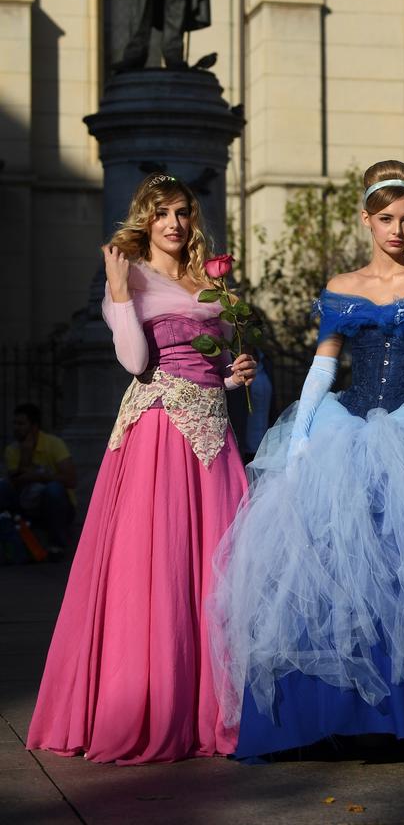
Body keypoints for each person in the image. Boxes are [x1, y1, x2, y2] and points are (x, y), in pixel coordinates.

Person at [209, 160, 404, 761]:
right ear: (366, 219)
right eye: (387, 219)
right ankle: (355, 717)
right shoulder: (343, 286)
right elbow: (324, 364)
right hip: (348, 429)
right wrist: (301, 435)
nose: (398, 230)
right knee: (338, 568)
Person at [27, 174, 255, 764]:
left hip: (213, 438)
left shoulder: (211, 284)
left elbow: (213, 370)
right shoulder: (131, 279)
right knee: (160, 564)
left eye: (182, 212)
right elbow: (134, 361)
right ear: (145, 221)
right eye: (161, 214)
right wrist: (117, 289)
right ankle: (155, 704)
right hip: (158, 436)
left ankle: (214, 705)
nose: (174, 223)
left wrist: (236, 375)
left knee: (219, 566)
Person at [1, 404, 76, 556]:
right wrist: (26, 454)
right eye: (14, 423)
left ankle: (57, 546)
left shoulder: (54, 444)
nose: (16, 428)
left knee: (53, 489)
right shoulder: (12, 450)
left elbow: (71, 480)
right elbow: (14, 483)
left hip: (55, 505)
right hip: (25, 502)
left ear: (34, 426)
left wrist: (38, 476)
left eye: (21, 424)